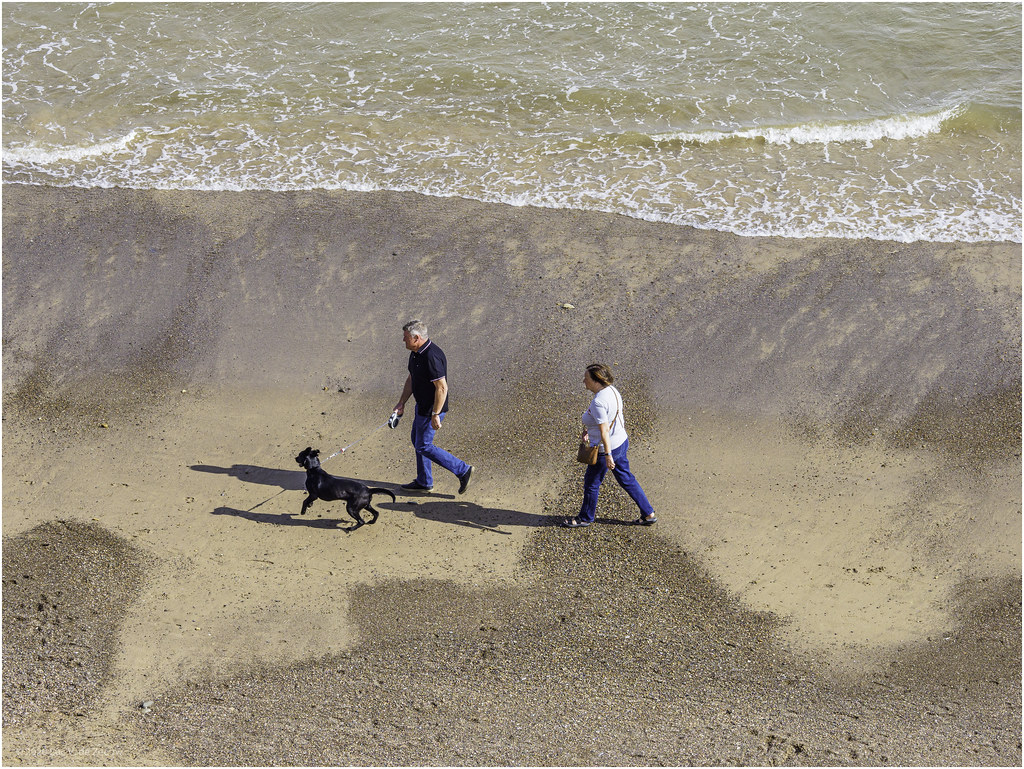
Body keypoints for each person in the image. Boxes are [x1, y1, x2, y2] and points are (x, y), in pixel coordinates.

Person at [562, 363, 656, 528]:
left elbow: (604, 430)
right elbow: (612, 416)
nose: (583, 380)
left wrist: (607, 455)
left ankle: (585, 518)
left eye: (586, 378)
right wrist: (589, 430)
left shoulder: (598, 401)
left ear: (596, 380)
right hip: (621, 441)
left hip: (606, 449)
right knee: (626, 479)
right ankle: (648, 513)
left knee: (591, 483)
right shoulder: (612, 390)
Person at [393, 320, 473, 494]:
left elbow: (442, 387)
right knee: (417, 441)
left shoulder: (431, 356)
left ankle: (463, 470)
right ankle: (424, 481)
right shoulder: (415, 353)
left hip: (431, 410)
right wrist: (402, 403)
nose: (403, 340)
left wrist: (435, 414)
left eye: (406, 337)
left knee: (423, 445)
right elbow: (411, 378)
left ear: (416, 338)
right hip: (421, 407)